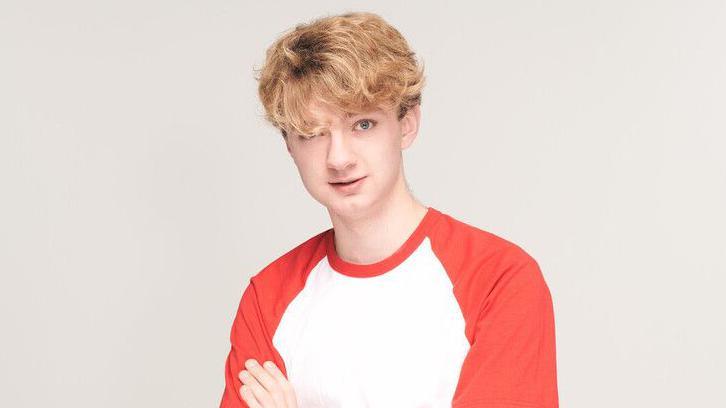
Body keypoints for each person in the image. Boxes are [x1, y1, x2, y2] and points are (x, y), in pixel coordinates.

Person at [220, 11, 558, 408]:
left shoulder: (499, 279)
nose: (339, 158)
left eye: (363, 125)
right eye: (313, 134)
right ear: (289, 146)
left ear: (407, 125)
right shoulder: (269, 297)